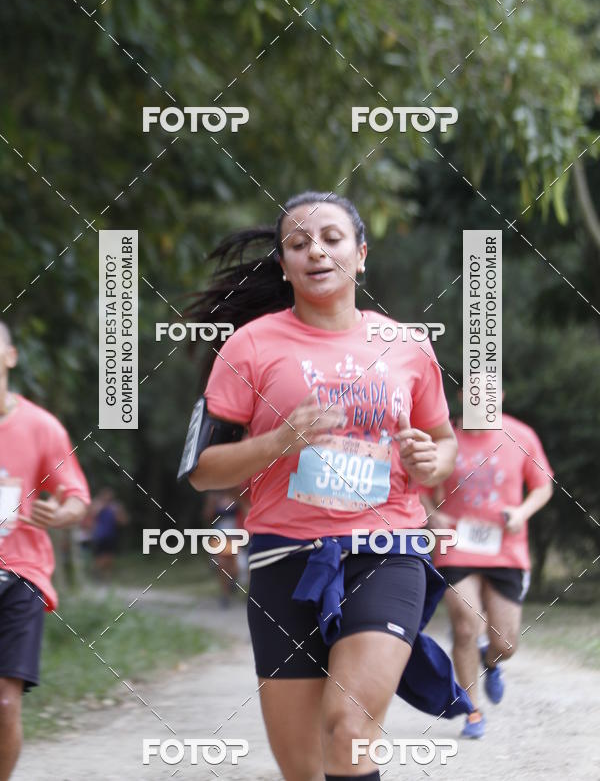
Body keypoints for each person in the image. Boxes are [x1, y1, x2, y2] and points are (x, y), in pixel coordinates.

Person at [181, 192, 471, 781]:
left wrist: (430, 460)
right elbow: (202, 470)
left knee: (348, 729)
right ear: (284, 265)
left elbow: (444, 445)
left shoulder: (407, 345)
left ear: (360, 255)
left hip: (386, 552)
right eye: (298, 243)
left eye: (332, 239)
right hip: (284, 560)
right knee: (303, 767)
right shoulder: (249, 347)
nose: (316, 251)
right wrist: (279, 441)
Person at [421, 401, 553, 739]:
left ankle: (491, 662)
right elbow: (419, 487)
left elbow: (543, 486)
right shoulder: (443, 436)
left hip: (505, 549)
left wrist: (522, 513)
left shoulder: (521, 435)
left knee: (505, 643)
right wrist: (433, 515)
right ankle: (472, 710)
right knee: (466, 626)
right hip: (456, 544)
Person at [0, 322, 91, 780]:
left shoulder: (41, 426)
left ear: (10, 356)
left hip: (20, 574)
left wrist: (59, 514)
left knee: (4, 703)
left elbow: (77, 497)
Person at [90, 487, 129, 580]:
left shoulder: (115, 507)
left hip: (111, 535)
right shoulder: (96, 504)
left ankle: (107, 578)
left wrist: (118, 512)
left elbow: (123, 521)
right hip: (99, 535)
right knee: (99, 557)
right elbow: (89, 517)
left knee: (110, 557)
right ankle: (96, 573)